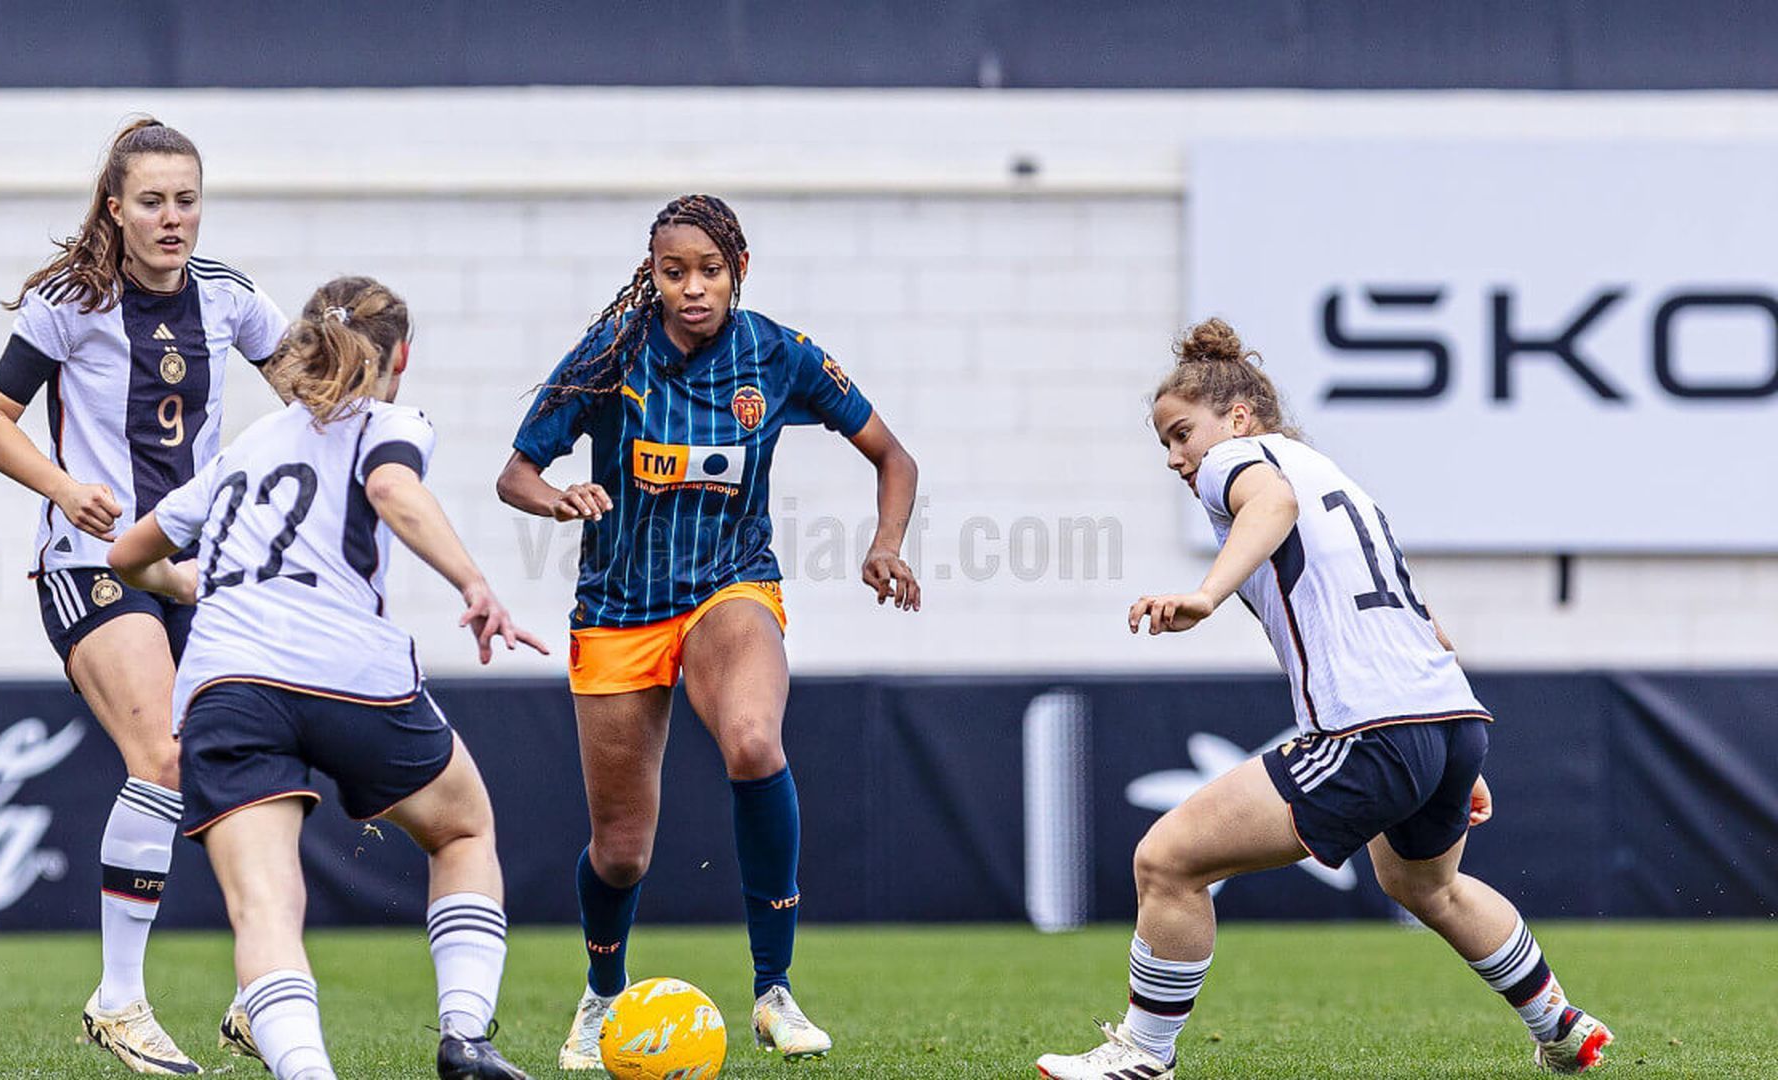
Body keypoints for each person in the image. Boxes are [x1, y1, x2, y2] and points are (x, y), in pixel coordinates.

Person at [1034, 319, 1615, 1080]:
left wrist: (1208, 595)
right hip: (1445, 715)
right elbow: (1419, 616)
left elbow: (1267, 505)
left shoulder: (1242, 460)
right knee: (1425, 886)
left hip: (1371, 727)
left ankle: (1143, 1057)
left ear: (1238, 417)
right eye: (1166, 445)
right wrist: (1445, 747)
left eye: (1182, 434)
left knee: (1167, 862)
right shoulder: (1338, 478)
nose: (1177, 458)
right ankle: (1561, 1026)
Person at [496, 194, 921, 1069]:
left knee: (755, 744)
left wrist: (886, 544)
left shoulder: (778, 352)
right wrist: (558, 497)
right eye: (673, 272)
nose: (692, 288)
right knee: (621, 852)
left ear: (739, 271)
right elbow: (516, 473)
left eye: (709, 271)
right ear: (651, 277)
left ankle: (774, 992)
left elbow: (893, 455)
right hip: (617, 608)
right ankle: (602, 994)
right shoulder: (612, 353)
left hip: (730, 588)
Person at [109, 276, 546, 1080]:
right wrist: (474, 584)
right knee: (463, 830)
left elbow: (126, 554)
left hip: (227, 684)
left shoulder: (245, 447)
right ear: (400, 356)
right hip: (347, 672)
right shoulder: (391, 420)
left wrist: (183, 583)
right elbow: (389, 486)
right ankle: (464, 1037)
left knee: (267, 907)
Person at [0, 116, 289, 1075]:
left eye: (186, 199)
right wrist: (66, 487)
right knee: (161, 753)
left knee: (255, 764)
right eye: (152, 200)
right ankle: (117, 1002)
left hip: (192, 569)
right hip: (91, 562)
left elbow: (309, 389)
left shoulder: (228, 298)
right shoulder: (71, 303)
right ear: (116, 208)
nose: (172, 217)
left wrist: (373, 397)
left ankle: (258, 993)